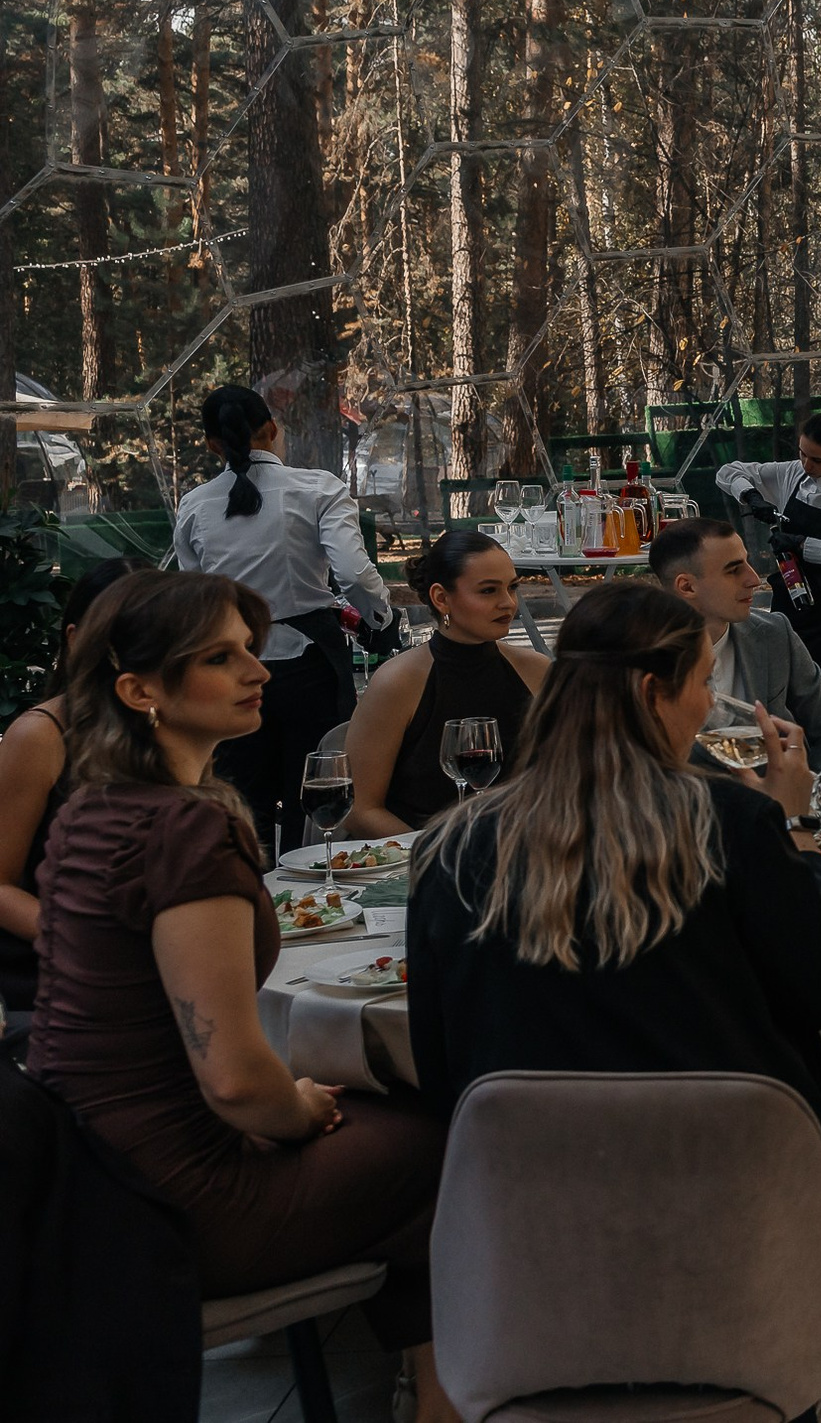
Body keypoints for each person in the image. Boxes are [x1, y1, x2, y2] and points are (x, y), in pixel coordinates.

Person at [405, 579, 821, 1342]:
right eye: (702, 682)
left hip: (529, 1247)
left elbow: (441, 1070)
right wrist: (794, 828)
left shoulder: (455, 848)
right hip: (751, 1227)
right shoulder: (729, 824)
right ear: (650, 691)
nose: (707, 706)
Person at [29, 571, 455, 1414]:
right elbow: (231, 1077)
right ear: (138, 689)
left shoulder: (92, 807)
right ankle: (451, 1400)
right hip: (174, 1203)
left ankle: (423, 1389)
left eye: (250, 650)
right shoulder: (186, 826)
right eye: (222, 658)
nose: (260, 671)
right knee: (448, 1137)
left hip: (79, 1174)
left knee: (397, 1134)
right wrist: (298, 1109)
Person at [173, 385, 395, 845]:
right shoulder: (317, 488)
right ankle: (311, 901)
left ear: (212, 444)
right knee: (315, 794)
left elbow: (194, 597)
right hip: (310, 665)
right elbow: (353, 572)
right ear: (272, 430)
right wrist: (380, 619)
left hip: (229, 668)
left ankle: (247, 900)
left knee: (240, 795)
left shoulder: (194, 505)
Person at [0, 556, 140, 1053]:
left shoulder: (159, 727)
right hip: (56, 976)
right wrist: (86, 942)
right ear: (76, 637)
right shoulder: (39, 735)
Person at [342, 530, 547, 836]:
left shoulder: (537, 670)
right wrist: (439, 855)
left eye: (513, 587)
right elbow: (360, 810)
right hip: (420, 860)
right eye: (489, 591)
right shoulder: (398, 682)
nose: (508, 603)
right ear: (441, 598)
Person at [649, 517, 821, 766]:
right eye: (733, 570)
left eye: (747, 562)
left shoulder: (772, 634)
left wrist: (815, 793)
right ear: (687, 586)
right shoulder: (639, 658)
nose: (754, 579)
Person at [717, 412, 821, 704]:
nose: (806, 464)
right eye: (802, 454)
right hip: (788, 596)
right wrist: (751, 496)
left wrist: (802, 544)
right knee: (784, 691)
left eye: (817, 460)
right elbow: (728, 472)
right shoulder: (791, 473)